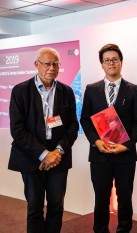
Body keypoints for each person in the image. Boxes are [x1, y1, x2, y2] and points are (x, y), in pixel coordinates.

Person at [8, 47, 79, 233]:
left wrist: (57, 152)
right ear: (36, 65)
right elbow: (17, 129)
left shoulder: (67, 91)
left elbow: (73, 126)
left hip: (58, 157)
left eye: (56, 64)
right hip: (31, 158)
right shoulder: (20, 91)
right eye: (47, 64)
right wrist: (43, 154)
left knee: (56, 206)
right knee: (35, 208)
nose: (51, 68)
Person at [80, 43, 137, 233]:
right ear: (102, 64)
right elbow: (85, 120)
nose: (111, 63)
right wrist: (96, 141)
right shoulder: (92, 89)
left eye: (115, 59)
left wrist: (127, 145)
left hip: (125, 155)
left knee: (125, 198)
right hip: (100, 154)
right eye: (107, 60)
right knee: (101, 198)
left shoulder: (134, 90)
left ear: (121, 62)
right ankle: (100, 230)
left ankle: (124, 230)